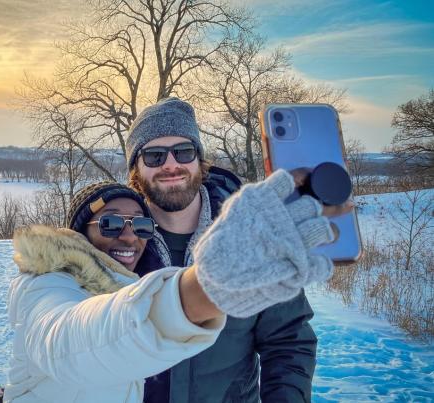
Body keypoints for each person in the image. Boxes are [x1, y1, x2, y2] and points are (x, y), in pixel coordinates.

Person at [3, 172, 343, 402]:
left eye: (139, 225)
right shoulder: (47, 285)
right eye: (109, 223)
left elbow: (289, 339)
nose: (128, 235)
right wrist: (205, 287)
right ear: (79, 232)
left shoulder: (129, 277)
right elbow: (69, 340)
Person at [125, 96, 351, 402]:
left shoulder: (253, 232)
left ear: (199, 160)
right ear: (135, 169)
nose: (171, 164)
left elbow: (287, 340)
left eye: (183, 151)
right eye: (154, 156)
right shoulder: (117, 243)